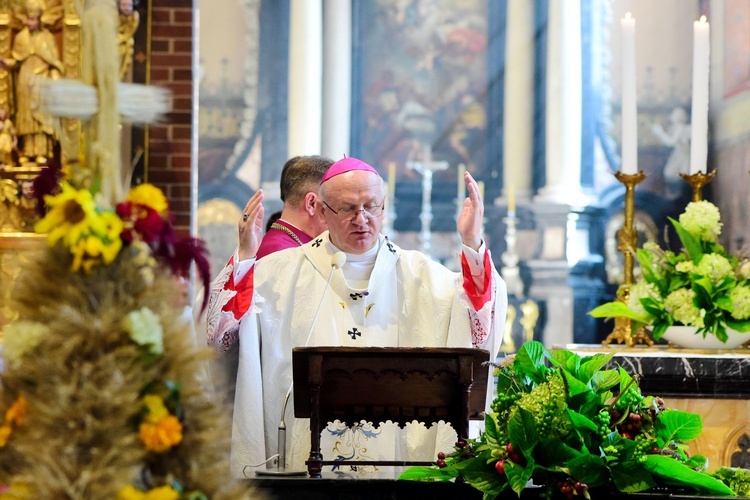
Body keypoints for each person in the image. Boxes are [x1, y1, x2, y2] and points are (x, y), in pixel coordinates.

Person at [206, 156, 506, 478]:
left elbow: (476, 312)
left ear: (384, 206)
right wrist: (246, 257)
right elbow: (220, 332)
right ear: (321, 210)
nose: (361, 219)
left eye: (371, 207)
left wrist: (472, 242)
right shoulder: (281, 273)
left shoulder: (420, 275)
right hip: (308, 469)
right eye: (347, 208)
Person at [0, 0, 62, 164]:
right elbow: (16, 60)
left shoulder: (47, 37)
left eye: (33, 19)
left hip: (42, 80)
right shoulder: (21, 37)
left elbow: (54, 61)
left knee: (41, 115)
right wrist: (6, 63)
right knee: (26, 116)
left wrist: (55, 75)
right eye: (28, 18)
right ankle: (26, 151)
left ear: (40, 19)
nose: (30, 22)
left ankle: (43, 151)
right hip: (24, 80)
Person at [256, 154, 332, 259]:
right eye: (335, 204)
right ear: (311, 203)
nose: (338, 214)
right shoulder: (281, 254)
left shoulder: (299, 244)